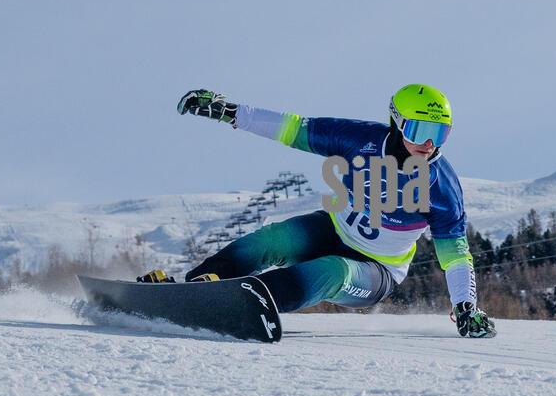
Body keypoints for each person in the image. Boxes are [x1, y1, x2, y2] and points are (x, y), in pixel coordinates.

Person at [141, 84, 495, 338]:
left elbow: (455, 255)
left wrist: (466, 307)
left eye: (440, 134)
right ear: (397, 122)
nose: (429, 144)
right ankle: (192, 289)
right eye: (419, 130)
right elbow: (293, 128)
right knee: (273, 239)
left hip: (377, 270)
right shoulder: (360, 140)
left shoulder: (441, 185)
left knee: (332, 271)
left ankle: (239, 304)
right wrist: (230, 112)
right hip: (332, 231)